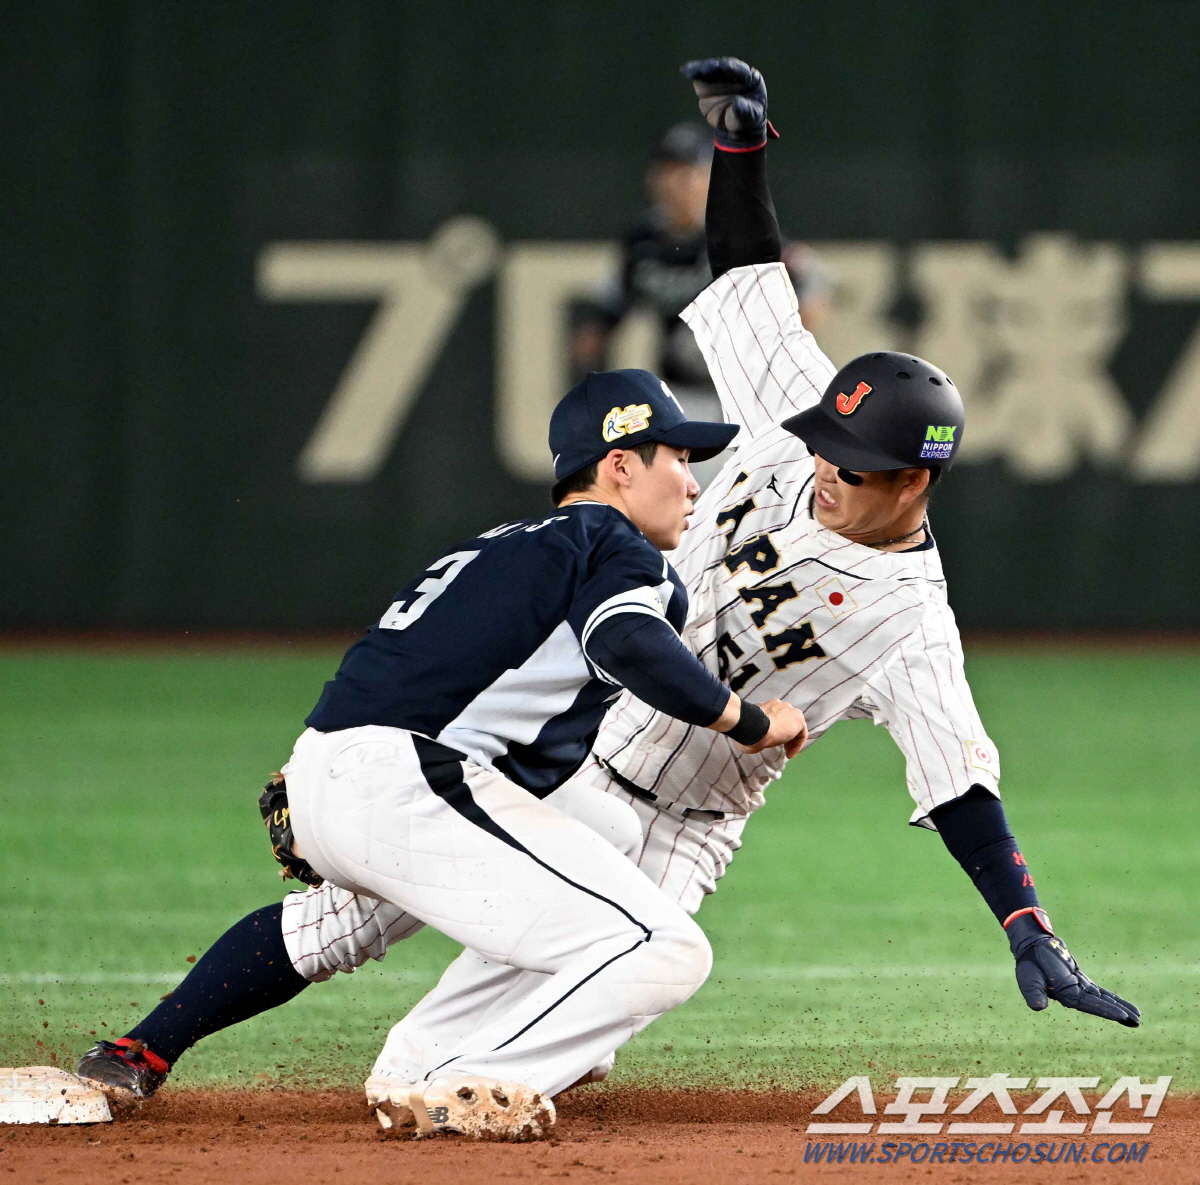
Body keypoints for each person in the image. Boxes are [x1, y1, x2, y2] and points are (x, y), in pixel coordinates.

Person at [79, 56, 1139, 1122]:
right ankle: (144, 1048)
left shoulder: (910, 624)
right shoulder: (789, 434)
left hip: (684, 827)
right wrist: (738, 152)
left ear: (915, 480)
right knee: (348, 922)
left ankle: (458, 1087)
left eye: (851, 459)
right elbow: (743, 279)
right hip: (576, 754)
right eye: (824, 437)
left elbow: (962, 787)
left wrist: (1025, 924)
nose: (822, 461)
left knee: (583, 993)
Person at [77, 366, 807, 1141]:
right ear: (621, 464)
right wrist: (750, 720)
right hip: (410, 776)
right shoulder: (613, 544)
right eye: (677, 458)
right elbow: (627, 640)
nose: (693, 483)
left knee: (607, 834)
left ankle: (144, 1050)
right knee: (666, 947)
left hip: (340, 761)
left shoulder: (509, 542)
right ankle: (475, 1075)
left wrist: (328, 791)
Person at [570, 123, 834, 446]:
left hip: (745, 398)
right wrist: (594, 344)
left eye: (688, 173)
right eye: (668, 172)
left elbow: (808, 274)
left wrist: (796, 327)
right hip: (679, 395)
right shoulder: (642, 241)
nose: (676, 185)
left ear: (710, 178)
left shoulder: (736, 230)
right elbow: (609, 308)